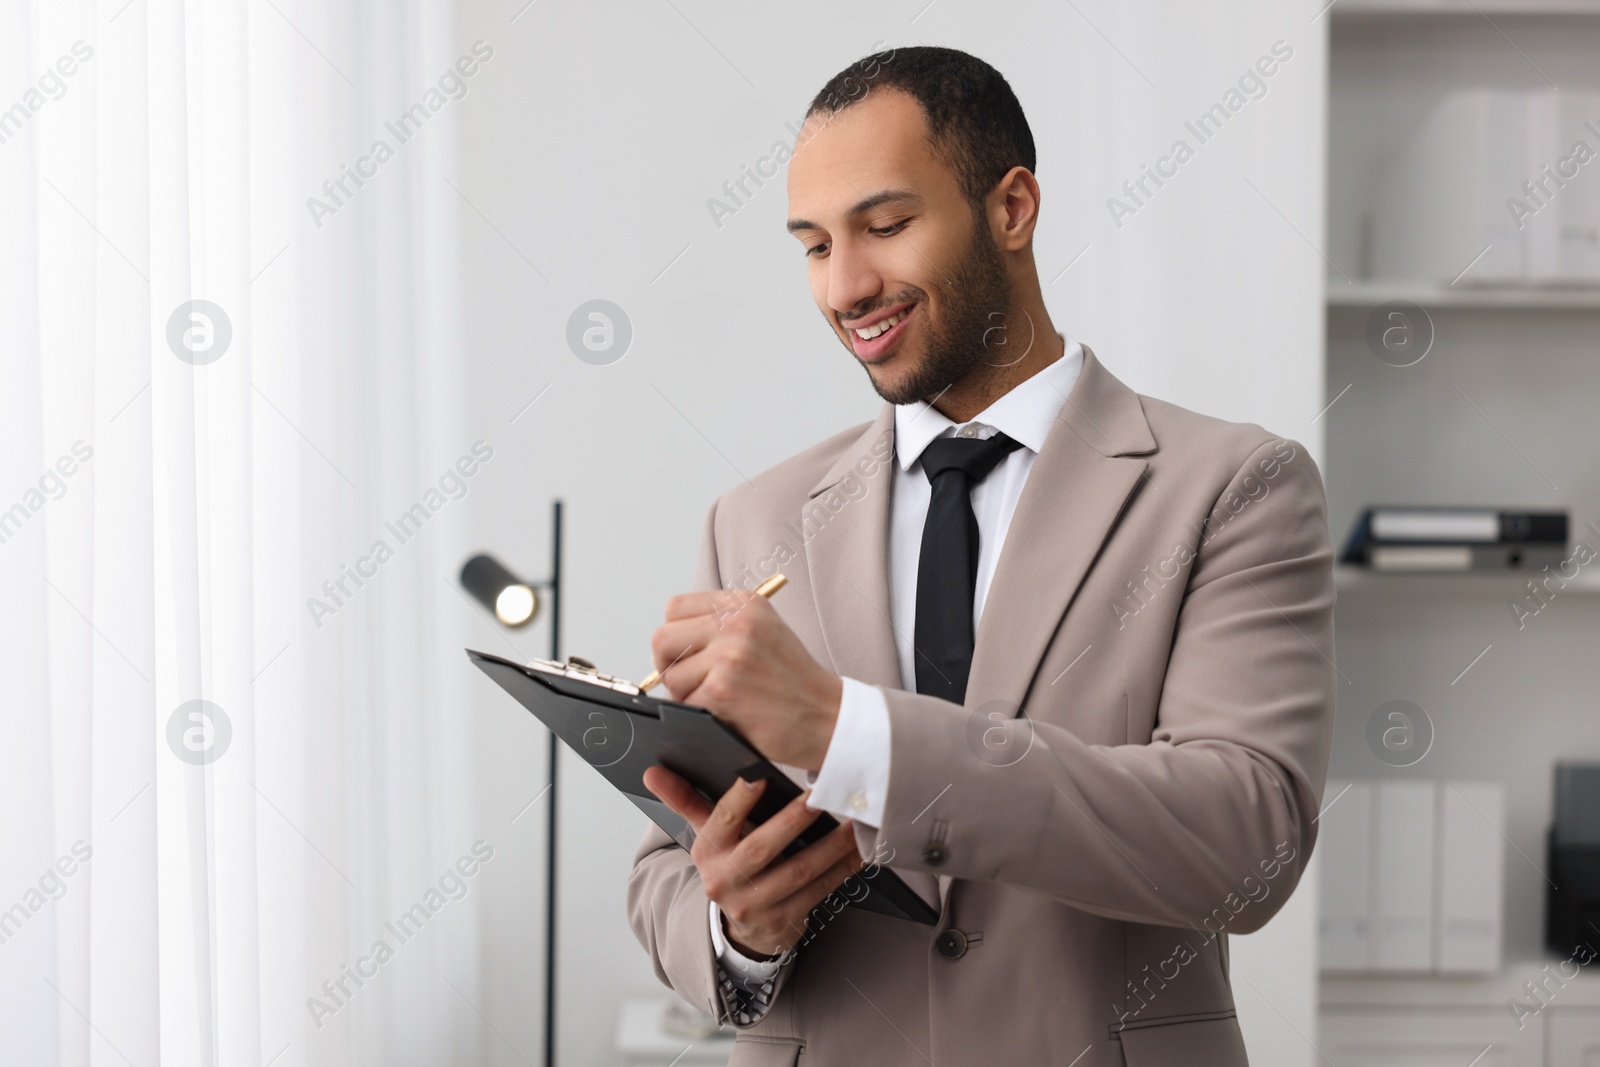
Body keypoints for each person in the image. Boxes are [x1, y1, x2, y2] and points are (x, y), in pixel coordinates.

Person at [628, 44, 1334, 1066]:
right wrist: (741, 932)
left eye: (885, 225)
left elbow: (1245, 842)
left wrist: (846, 730)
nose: (846, 285)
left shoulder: (1233, 486)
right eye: (814, 245)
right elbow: (663, 868)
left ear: (1010, 209)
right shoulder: (753, 517)